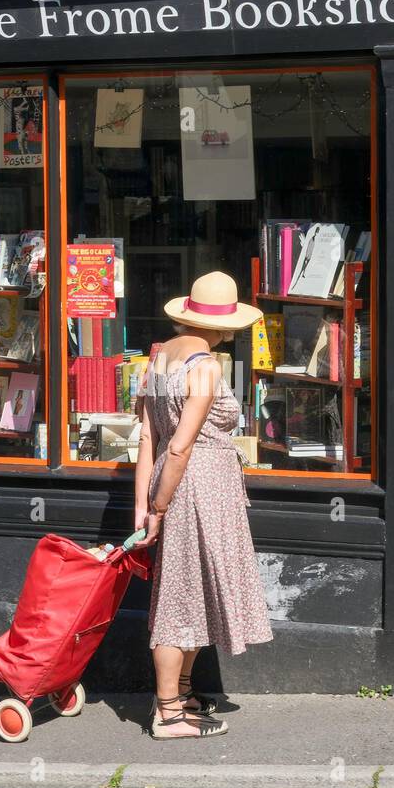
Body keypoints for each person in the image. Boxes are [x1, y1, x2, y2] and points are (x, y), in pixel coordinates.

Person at [133, 271, 273, 740]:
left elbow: (149, 441)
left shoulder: (156, 360)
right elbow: (180, 448)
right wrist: (160, 507)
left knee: (194, 594)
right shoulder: (207, 366)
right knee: (179, 600)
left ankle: (184, 693)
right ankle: (168, 711)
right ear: (226, 324)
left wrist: (146, 503)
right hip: (198, 490)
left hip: (180, 488)